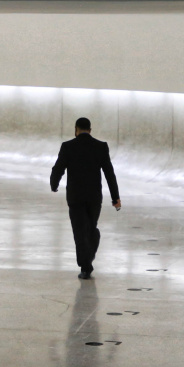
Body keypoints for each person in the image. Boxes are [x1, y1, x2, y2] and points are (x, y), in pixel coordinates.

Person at [50, 117, 121, 279]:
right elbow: (109, 173)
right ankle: (91, 248)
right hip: (94, 197)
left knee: (79, 231)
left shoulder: (68, 146)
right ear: (90, 129)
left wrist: (54, 185)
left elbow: (58, 168)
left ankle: (85, 266)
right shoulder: (101, 147)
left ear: (76, 129)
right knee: (90, 227)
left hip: (75, 197)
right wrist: (115, 197)